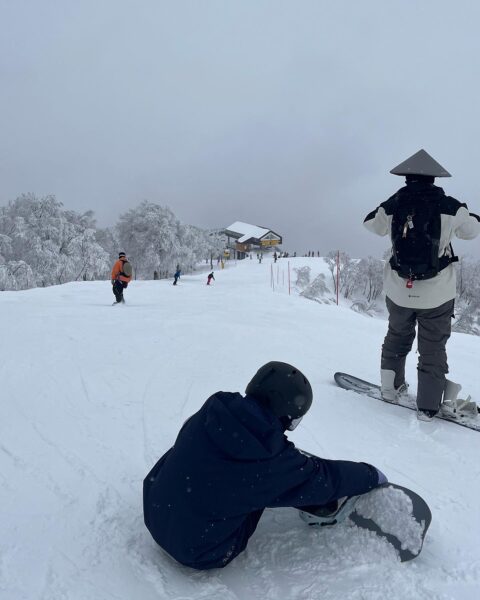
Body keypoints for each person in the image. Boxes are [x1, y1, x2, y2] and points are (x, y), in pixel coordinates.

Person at [143, 361, 386, 570]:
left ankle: (283, 481)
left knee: (210, 456)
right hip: (201, 551)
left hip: (153, 509)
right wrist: (371, 475)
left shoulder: (216, 407)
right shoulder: (267, 460)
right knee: (272, 485)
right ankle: (295, 491)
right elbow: (325, 479)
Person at [364, 149, 480, 420]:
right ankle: (428, 405)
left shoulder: (395, 204)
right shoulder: (450, 206)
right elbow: (472, 231)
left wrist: (389, 207)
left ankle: (390, 389)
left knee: (397, 336)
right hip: (437, 294)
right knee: (432, 347)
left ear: (406, 177)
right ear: (434, 179)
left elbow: (371, 224)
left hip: (398, 288)